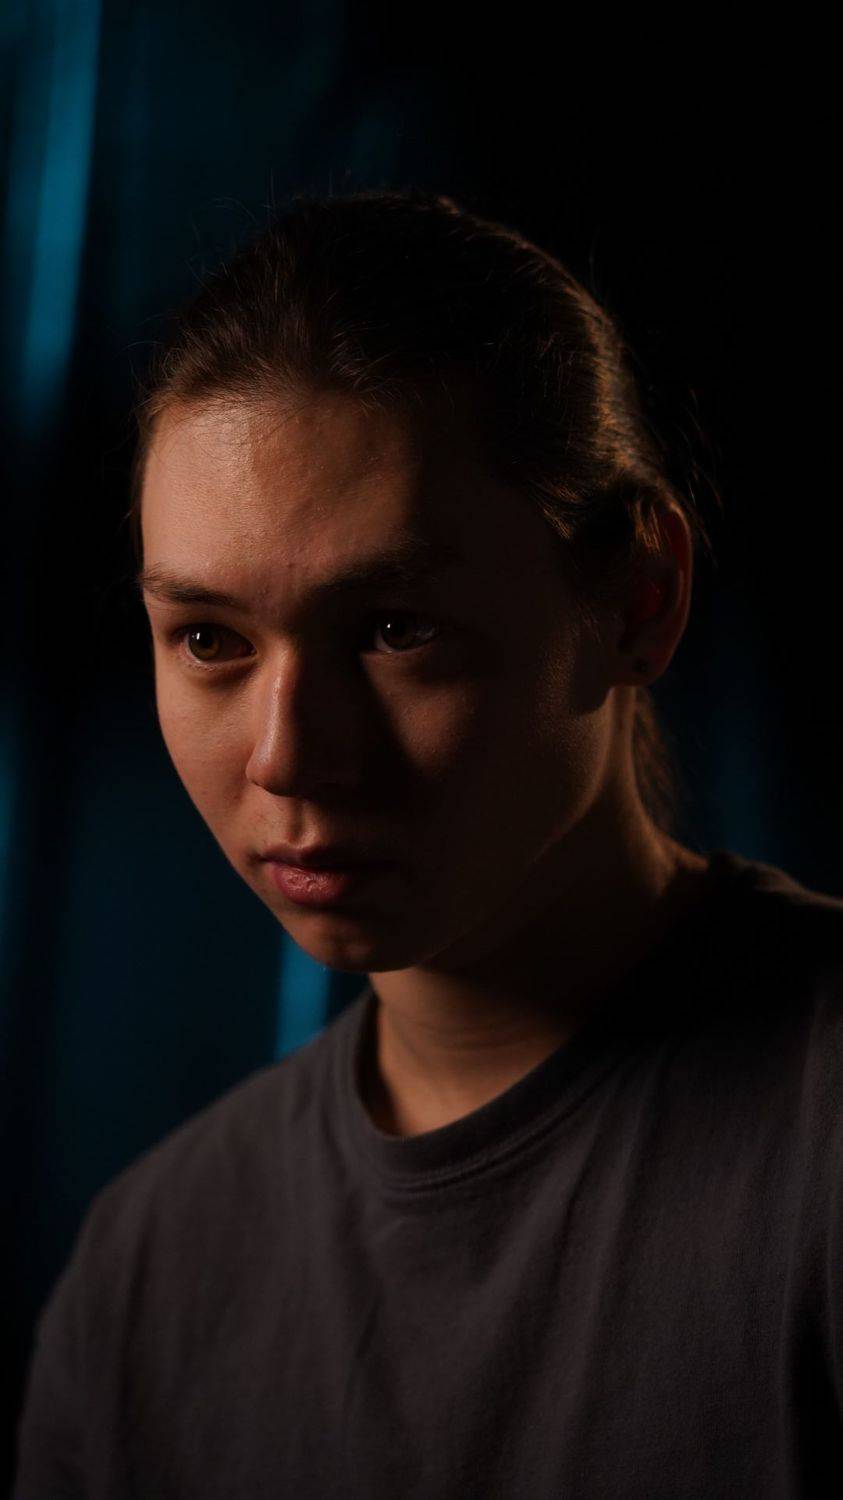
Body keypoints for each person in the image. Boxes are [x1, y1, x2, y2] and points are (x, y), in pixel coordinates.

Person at [14, 188, 842, 1498]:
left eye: (397, 629)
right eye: (210, 639)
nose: (289, 754)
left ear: (640, 601)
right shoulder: (148, 1277)